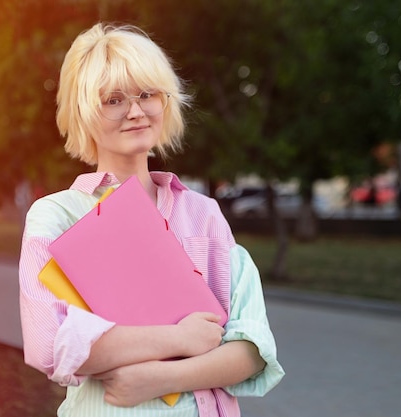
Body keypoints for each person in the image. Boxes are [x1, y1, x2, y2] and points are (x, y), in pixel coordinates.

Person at [18, 22, 284, 417]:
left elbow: (252, 348)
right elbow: (49, 343)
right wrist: (180, 337)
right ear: (84, 112)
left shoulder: (203, 215)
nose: (136, 111)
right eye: (113, 100)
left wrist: (162, 378)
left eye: (148, 94)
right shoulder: (58, 217)